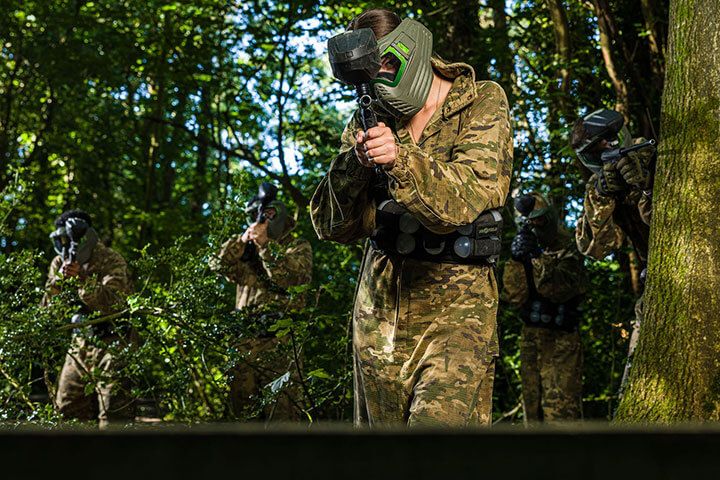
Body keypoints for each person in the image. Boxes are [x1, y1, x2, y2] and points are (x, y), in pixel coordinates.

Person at [311, 9, 513, 427]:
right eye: (370, 72)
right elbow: (331, 224)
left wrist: (400, 159)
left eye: (387, 64)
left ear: (411, 49)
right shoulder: (372, 115)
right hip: (379, 313)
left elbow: (468, 197)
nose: (382, 79)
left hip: (458, 313)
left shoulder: (480, 100)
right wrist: (358, 161)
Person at [211, 183, 312, 420]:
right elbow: (218, 265)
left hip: (280, 344)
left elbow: (290, 278)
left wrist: (266, 246)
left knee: (282, 415)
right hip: (244, 342)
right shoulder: (248, 249)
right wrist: (242, 241)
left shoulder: (297, 246)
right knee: (242, 417)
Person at [571, 108, 656, 391]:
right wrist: (604, 197)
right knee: (636, 384)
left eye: (609, 139)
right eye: (598, 148)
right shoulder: (600, 187)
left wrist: (644, 184)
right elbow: (594, 248)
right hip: (656, 283)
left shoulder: (654, 155)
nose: (607, 148)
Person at [42, 209, 134, 427]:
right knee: (67, 412)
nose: (67, 246)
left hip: (114, 341)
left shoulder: (110, 259)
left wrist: (83, 280)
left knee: (114, 417)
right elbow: (48, 313)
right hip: (80, 343)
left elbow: (115, 303)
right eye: (62, 240)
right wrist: (59, 283)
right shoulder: (58, 263)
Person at [502, 193, 588, 422]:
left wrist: (537, 257)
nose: (535, 227)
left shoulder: (568, 245)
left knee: (560, 411)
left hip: (561, 340)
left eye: (539, 220)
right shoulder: (528, 243)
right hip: (531, 336)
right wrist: (516, 259)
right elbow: (514, 296)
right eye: (530, 222)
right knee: (533, 412)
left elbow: (558, 290)